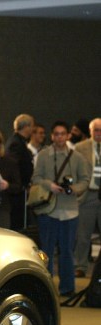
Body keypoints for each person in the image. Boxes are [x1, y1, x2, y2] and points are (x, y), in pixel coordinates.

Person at [32, 121, 90, 297]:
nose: (59, 137)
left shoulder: (77, 157)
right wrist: (50, 185)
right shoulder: (43, 155)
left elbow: (85, 180)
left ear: (67, 136)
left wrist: (73, 189)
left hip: (70, 211)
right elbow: (36, 177)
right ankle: (46, 287)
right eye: (56, 134)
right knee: (46, 252)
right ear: (52, 136)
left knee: (67, 251)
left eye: (62, 134)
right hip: (48, 210)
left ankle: (67, 287)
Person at [73, 117, 101, 278]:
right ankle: (81, 266)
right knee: (83, 234)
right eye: (96, 130)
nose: (99, 133)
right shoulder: (80, 148)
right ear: (90, 131)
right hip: (88, 194)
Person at [7, 114, 34, 231]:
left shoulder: (17, 141)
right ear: (27, 127)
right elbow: (14, 166)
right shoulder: (16, 143)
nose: (32, 129)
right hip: (18, 191)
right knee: (18, 222)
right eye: (32, 126)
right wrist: (21, 184)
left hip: (19, 189)